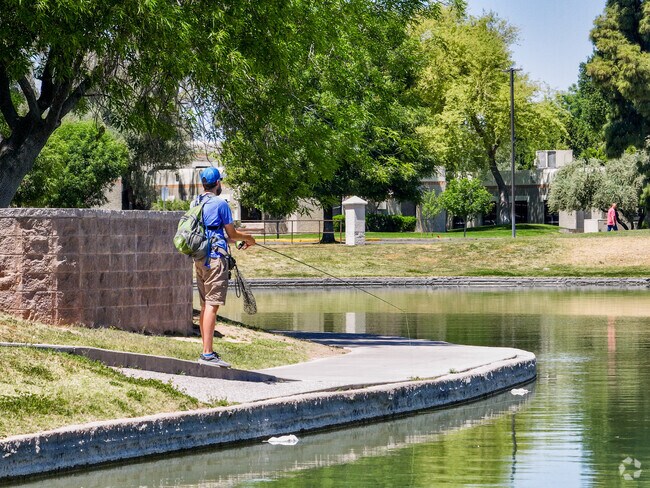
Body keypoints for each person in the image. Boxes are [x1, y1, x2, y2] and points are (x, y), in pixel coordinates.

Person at [193, 167, 256, 367]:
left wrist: (233, 242)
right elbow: (233, 233)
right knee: (212, 305)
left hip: (200, 258)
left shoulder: (196, 202)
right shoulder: (221, 204)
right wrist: (249, 239)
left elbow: (215, 234)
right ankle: (207, 354)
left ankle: (206, 350)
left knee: (205, 305)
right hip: (215, 260)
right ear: (218, 183)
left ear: (204, 184)